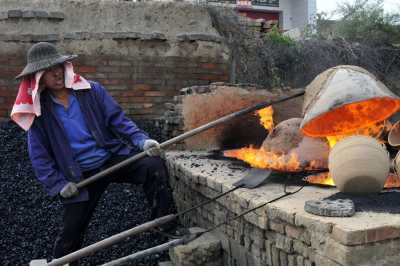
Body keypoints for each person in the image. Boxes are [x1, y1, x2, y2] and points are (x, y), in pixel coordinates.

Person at [11, 42, 176, 264]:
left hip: (109, 158)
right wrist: (58, 184)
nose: (57, 72)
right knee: (72, 230)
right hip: (78, 175)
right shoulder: (39, 112)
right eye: (48, 70)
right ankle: (62, 261)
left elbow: (118, 120)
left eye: (58, 66)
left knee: (152, 166)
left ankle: (164, 229)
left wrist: (141, 140)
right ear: (38, 78)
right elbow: (39, 157)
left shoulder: (91, 91)